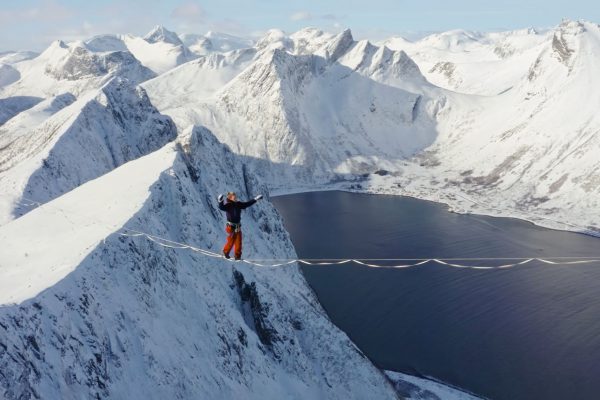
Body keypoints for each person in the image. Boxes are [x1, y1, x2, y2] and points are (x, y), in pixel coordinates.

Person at [218, 191, 263, 260]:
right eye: (234, 196)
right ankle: (225, 252)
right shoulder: (228, 205)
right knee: (231, 240)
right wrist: (220, 201)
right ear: (230, 197)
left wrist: (255, 199)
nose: (235, 197)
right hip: (230, 227)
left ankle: (237, 256)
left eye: (235, 195)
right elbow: (221, 207)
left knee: (238, 241)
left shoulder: (238, 204)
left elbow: (247, 204)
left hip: (237, 227)